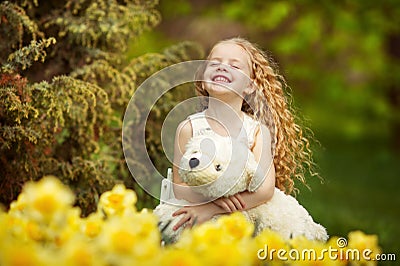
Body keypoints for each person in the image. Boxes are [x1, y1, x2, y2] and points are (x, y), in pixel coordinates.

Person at [171, 37, 318, 231]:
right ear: (203, 81)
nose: (222, 68)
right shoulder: (189, 128)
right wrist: (207, 202)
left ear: (249, 86)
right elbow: (179, 186)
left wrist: (213, 208)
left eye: (235, 66)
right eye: (214, 63)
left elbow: (265, 190)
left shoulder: (256, 132)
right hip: (196, 214)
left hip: (242, 217)